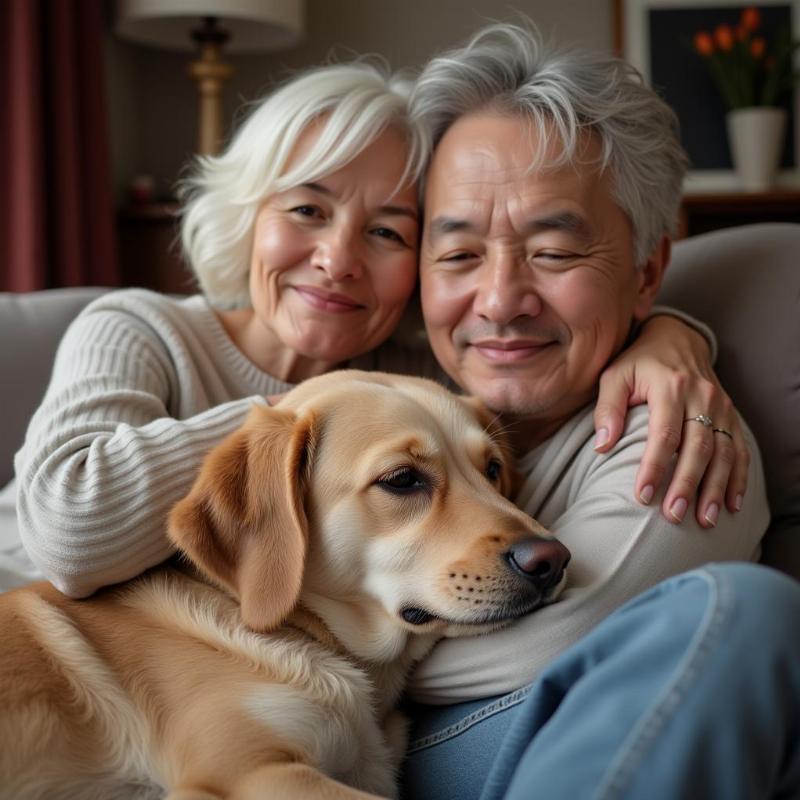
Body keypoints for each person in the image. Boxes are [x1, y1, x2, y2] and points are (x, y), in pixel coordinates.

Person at [14, 58, 740, 599]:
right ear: (247, 216)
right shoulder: (139, 329)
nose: (336, 261)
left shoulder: (416, 382)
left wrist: (667, 335)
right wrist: (302, 426)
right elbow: (70, 539)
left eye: (389, 233)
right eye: (306, 210)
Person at [398, 23, 798, 799]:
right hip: (320, 742)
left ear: (647, 274)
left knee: (746, 615)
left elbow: (557, 637)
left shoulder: (681, 434)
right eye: (457, 254)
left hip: (496, 738)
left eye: (553, 253)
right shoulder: (384, 386)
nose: (500, 301)